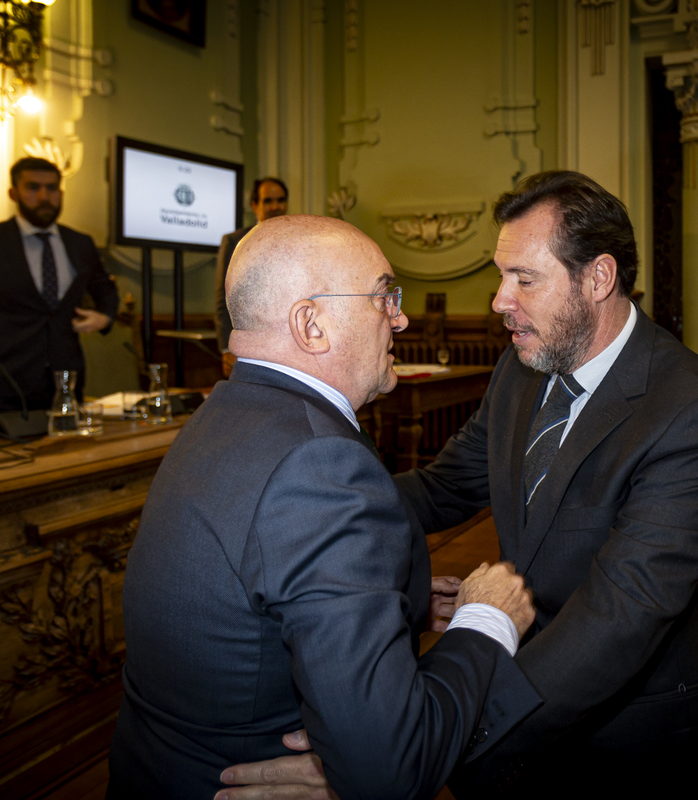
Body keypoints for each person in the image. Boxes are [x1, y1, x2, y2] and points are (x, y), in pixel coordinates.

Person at [224, 171, 698, 797]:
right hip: (523, 706)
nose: (500, 300)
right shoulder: (523, 366)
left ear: (599, 278)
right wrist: (294, 503)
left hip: (635, 742)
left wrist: (431, 743)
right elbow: (445, 485)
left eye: (524, 279)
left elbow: (617, 619)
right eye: (501, 275)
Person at [108, 215, 541, 800]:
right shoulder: (321, 465)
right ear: (311, 324)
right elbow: (390, 767)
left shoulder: (226, 411)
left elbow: (252, 605)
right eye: (385, 296)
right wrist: (486, 619)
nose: (401, 317)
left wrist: (400, 602)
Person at [0, 157, 119, 413]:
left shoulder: (80, 243)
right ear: (13, 193)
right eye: (32, 187)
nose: (44, 196)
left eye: (52, 188)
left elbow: (105, 289)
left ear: (60, 193)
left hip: (65, 384)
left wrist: (105, 317)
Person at [214, 177, 288, 376]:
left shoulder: (298, 241)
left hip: (289, 344)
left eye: (280, 200)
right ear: (255, 206)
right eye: (267, 201)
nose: (275, 206)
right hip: (247, 345)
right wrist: (227, 349)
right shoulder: (234, 241)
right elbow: (223, 299)